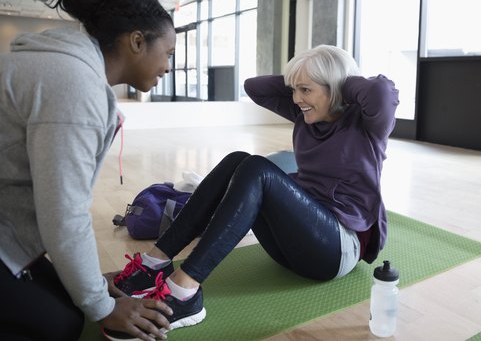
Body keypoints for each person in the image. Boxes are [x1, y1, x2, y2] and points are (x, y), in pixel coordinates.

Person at [108, 45, 399, 339]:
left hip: (336, 249)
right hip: (296, 246)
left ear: (336, 89)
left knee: (258, 170)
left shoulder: (367, 123)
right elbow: (254, 88)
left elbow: (381, 93)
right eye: (294, 90)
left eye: (306, 90)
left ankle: (184, 291)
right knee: (239, 160)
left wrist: (339, 81)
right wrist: (304, 77)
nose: (297, 99)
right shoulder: (305, 114)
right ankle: (154, 263)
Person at [0, 0, 176, 340]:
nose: (167, 66)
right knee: (61, 325)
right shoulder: (74, 86)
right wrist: (102, 305)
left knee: (67, 301)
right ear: (136, 41)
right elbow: (63, 213)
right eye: (168, 52)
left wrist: (90, 287)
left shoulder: (70, 69)